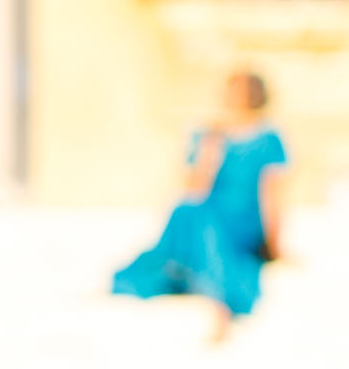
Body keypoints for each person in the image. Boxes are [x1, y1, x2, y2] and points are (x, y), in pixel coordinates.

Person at [111, 70, 290, 335]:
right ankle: (191, 280)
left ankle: (221, 304)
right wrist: (209, 156)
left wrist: (274, 246)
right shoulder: (209, 134)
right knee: (186, 211)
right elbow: (194, 189)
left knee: (203, 227)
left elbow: (271, 196)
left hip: (240, 226)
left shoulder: (268, 139)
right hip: (206, 217)